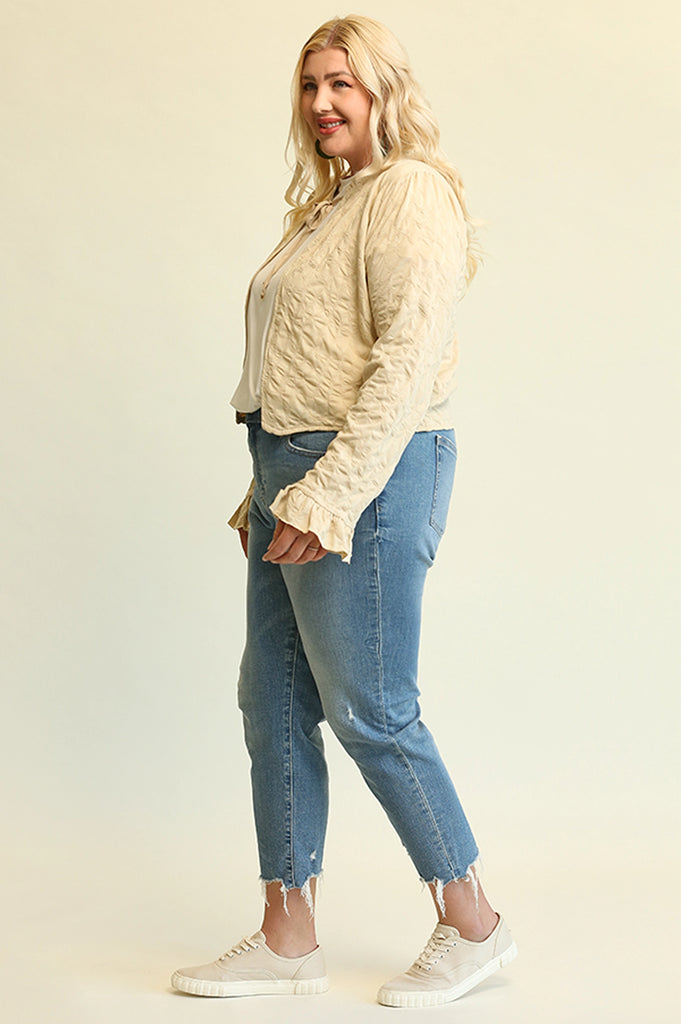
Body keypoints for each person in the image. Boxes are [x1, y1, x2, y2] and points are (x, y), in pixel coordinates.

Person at [171, 14, 517, 1008]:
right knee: (272, 698)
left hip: (368, 471)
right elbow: (304, 363)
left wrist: (324, 494)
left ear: (382, 93)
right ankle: (288, 936)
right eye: (309, 84)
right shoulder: (328, 206)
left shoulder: (409, 192)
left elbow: (405, 360)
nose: (321, 102)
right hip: (292, 471)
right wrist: (270, 488)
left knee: (369, 704)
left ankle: (475, 924)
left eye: (342, 84)